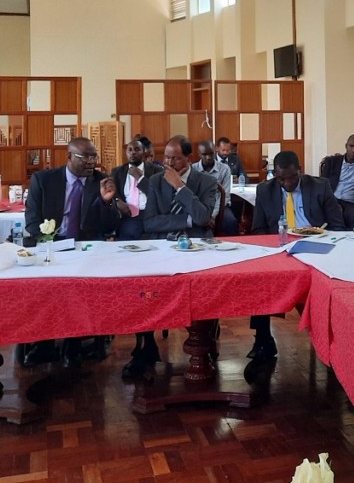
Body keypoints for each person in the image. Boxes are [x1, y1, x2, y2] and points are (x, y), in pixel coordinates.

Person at [22, 137, 120, 368]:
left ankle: (74, 344)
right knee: (42, 287)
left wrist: (107, 203)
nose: (90, 162)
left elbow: (110, 226)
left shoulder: (101, 182)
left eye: (93, 157)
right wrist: (52, 241)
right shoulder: (44, 180)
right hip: (52, 245)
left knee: (80, 286)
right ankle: (44, 343)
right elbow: (32, 221)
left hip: (86, 248)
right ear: (68, 157)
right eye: (84, 157)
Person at [129, 136, 217, 379]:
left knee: (204, 291)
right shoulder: (155, 182)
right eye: (166, 156)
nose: (168, 162)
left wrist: (181, 188)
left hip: (198, 247)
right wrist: (186, 220)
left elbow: (203, 217)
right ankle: (146, 346)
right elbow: (150, 222)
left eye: (175, 158)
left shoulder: (206, 182)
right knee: (147, 291)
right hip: (163, 245)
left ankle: (204, 342)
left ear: (188, 158)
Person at [250, 150, 344, 360]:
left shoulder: (320, 186)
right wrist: (272, 248)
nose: (287, 183)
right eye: (281, 178)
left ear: (300, 171)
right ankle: (262, 338)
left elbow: (337, 226)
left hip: (316, 246)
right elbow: (257, 230)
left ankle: (330, 338)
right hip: (280, 248)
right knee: (260, 280)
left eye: (292, 177)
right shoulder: (265, 190)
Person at [109, 139, 164, 240]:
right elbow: (112, 193)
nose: (133, 152)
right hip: (128, 214)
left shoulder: (157, 170)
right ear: (126, 153)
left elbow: (158, 195)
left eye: (137, 149)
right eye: (129, 150)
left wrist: (140, 179)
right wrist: (117, 201)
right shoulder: (117, 172)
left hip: (150, 214)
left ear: (144, 152)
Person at [192, 140, 237, 236]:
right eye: (204, 154)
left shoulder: (224, 169)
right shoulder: (193, 169)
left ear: (215, 152)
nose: (208, 157)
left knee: (231, 222)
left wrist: (212, 215)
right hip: (200, 206)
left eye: (211, 154)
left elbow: (225, 196)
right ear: (199, 154)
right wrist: (204, 215)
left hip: (220, 206)